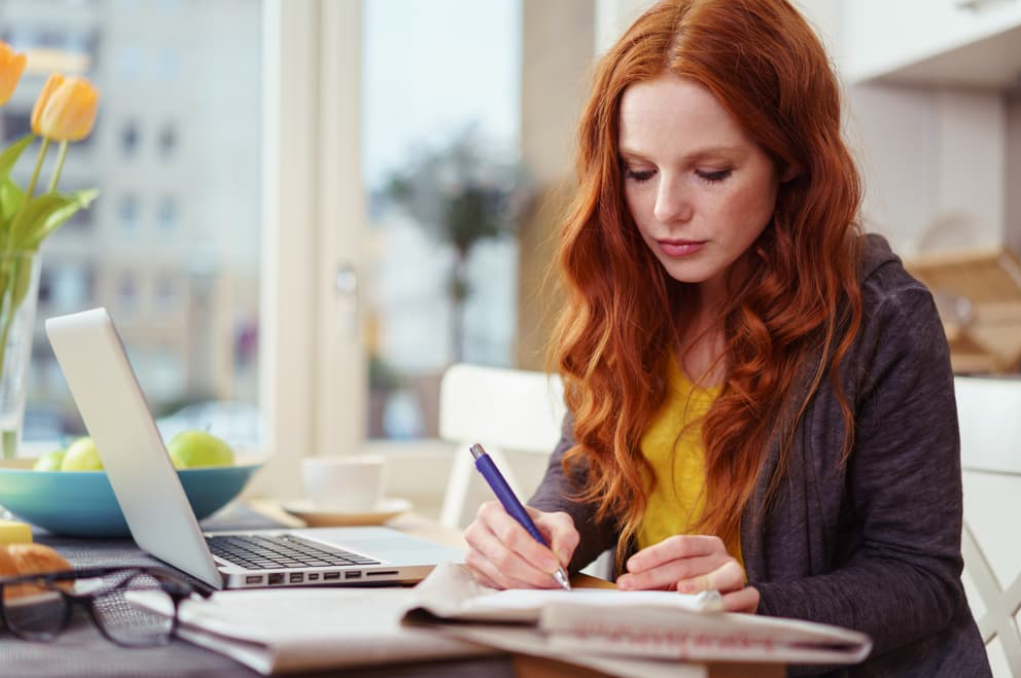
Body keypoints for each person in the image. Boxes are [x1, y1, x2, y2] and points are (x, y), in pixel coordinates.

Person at [462, 0, 991, 675]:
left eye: (711, 173)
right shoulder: (632, 291)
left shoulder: (882, 315)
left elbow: (919, 580)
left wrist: (753, 604)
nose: (663, 211)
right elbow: (587, 478)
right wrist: (539, 532)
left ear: (791, 162)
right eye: (638, 170)